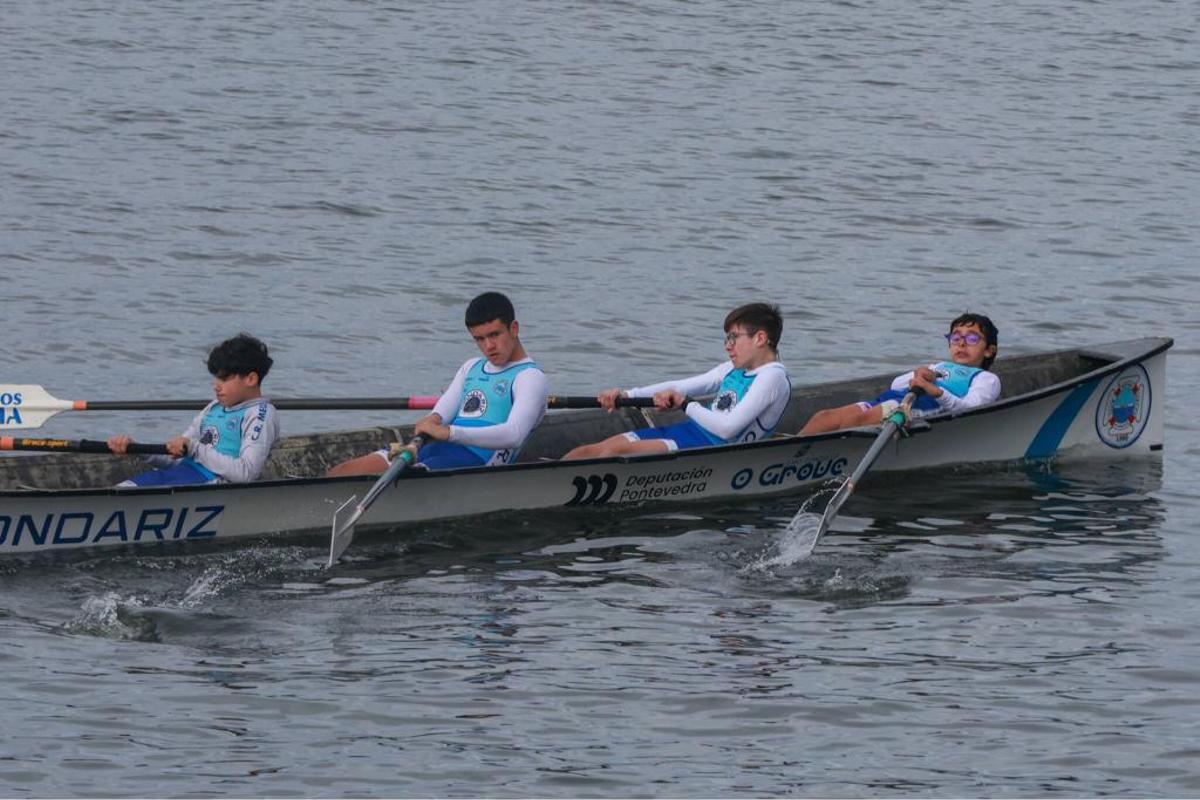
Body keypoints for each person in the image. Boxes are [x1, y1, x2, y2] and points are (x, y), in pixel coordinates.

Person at [326, 291, 548, 476]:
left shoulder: (529, 377)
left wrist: (448, 433)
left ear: (514, 329)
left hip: (474, 461)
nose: (488, 346)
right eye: (479, 339)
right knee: (341, 472)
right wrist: (431, 422)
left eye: (494, 334)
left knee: (408, 480)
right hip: (434, 449)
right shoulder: (471, 367)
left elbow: (514, 435)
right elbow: (441, 414)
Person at [562, 303, 790, 460]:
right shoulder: (733, 368)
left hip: (713, 450)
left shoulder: (772, 378)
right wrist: (628, 395)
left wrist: (684, 404)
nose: (727, 346)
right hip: (689, 432)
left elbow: (726, 428)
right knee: (587, 452)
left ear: (760, 338)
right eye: (726, 338)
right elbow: (682, 386)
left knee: (613, 453)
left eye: (734, 337)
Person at [108, 333, 280, 486]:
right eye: (215, 378)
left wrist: (195, 449)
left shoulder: (260, 414)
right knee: (121, 490)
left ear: (250, 379)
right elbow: (176, 457)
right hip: (181, 474)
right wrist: (137, 449)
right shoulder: (214, 407)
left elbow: (246, 473)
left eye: (224, 379)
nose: (216, 386)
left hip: (213, 485)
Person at [798, 312, 1000, 436]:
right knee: (823, 417)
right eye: (956, 338)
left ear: (989, 350)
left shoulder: (985, 378)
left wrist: (934, 391)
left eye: (972, 339)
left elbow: (971, 409)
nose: (962, 343)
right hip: (892, 399)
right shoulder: (938, 365)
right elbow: (896, 384)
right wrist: (918, 373)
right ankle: (792, 450)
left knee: (853, 423)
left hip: (916, 407)